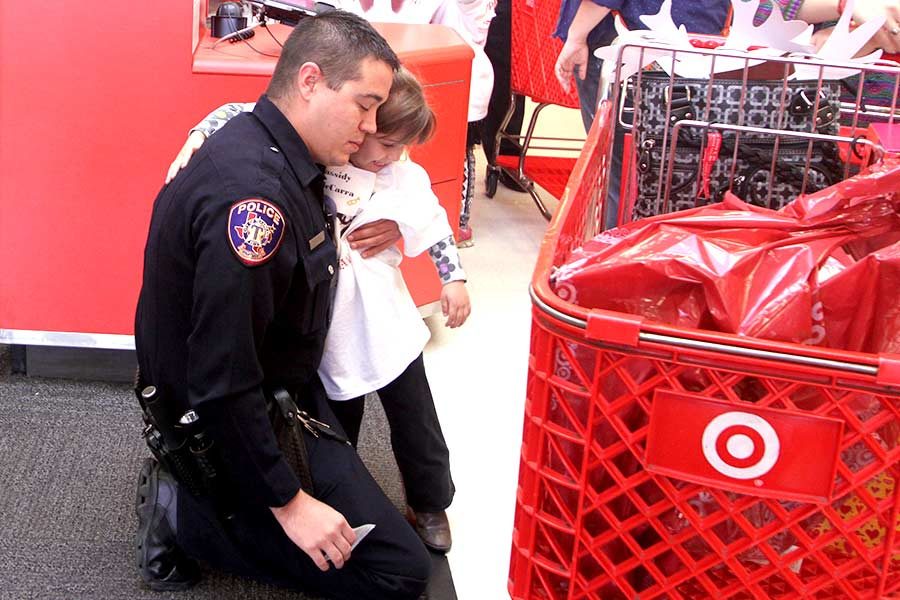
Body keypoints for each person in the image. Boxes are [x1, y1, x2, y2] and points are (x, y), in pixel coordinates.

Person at [133, 11, 431, 599]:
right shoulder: (254, 202)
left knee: (376, 537)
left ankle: (215, 499)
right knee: (398, 573)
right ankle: (186, 516)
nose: (372, 126)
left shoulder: (266, 142)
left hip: (283, 389)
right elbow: (220, 380)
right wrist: (290, 503)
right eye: (364, 105)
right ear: (311, 81)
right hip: (231, 415)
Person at [169, 0, 495, 246]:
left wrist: (399, 223)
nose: (366, 126)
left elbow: (424, 212)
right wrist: (201, 132)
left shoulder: (383, 152)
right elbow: (249, 110)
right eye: (362, 109)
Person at [320, 68, 471, 554]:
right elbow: (244, 114)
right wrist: (199, 135)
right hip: (330, 328)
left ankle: (429, 501)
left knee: (415, 419)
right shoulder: (323, 160)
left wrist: (454, 279)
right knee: (335, 422)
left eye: (400, 148)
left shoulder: (405, 179)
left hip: (388, 323)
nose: (389, 157)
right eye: (383, 143)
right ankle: (338, 502)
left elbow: (435, 226)